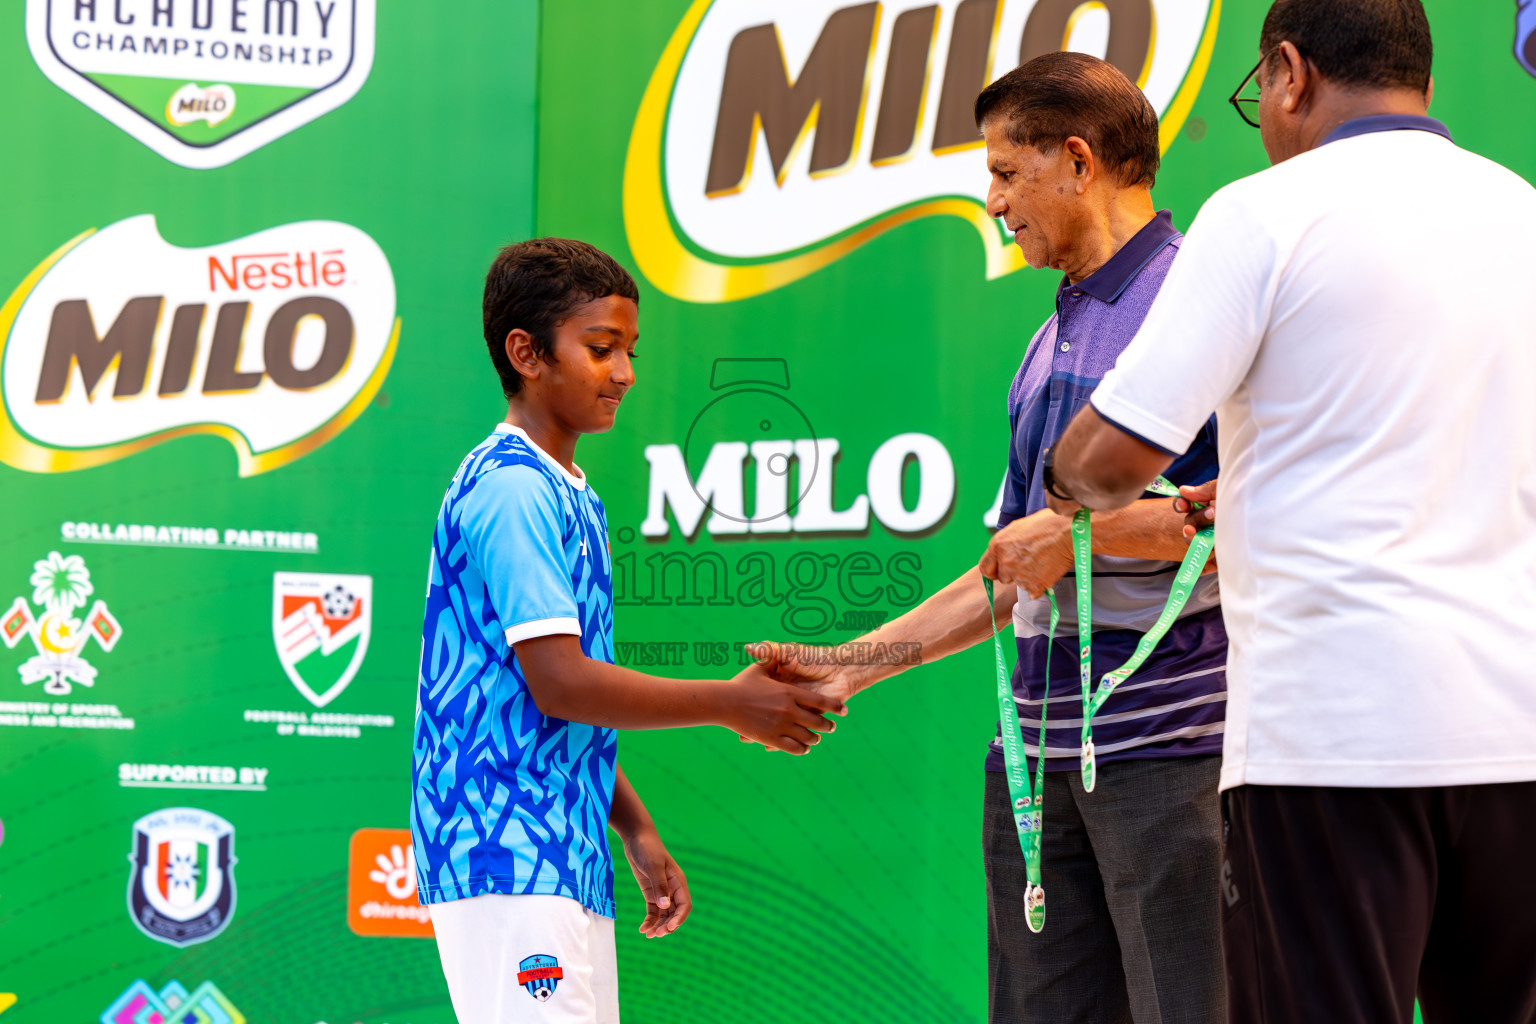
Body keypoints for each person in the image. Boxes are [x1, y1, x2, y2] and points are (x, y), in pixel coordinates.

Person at [1043, 2, 1536, 1021]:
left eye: (1258, 92)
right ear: (1424, 84)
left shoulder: (1263, 212)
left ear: (1290, 72)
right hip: (1517, 736)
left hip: (1333, 734)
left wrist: (1063, 474)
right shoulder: (1522, 212)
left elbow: (1106, 460)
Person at [756, 53, 1227, 1024]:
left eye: (1008, 172)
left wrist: (1083, 542)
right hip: (1034, 763)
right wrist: (850, 664)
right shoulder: (1046, 336)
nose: (993, 198)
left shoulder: (1203, 303)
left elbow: (1255, 522)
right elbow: (1011, 570)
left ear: (1079, 159)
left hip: (1173, 758)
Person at [410, 238, 848, 1024]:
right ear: (526, 353)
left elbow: (554, 704)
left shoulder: (567, 489)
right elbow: (561, 681)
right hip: (504, 849)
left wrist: (634, 828)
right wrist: (730, 703)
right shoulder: (513, 490)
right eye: (601, 348)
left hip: (558, 850)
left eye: (629, 350)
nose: (625, 374)